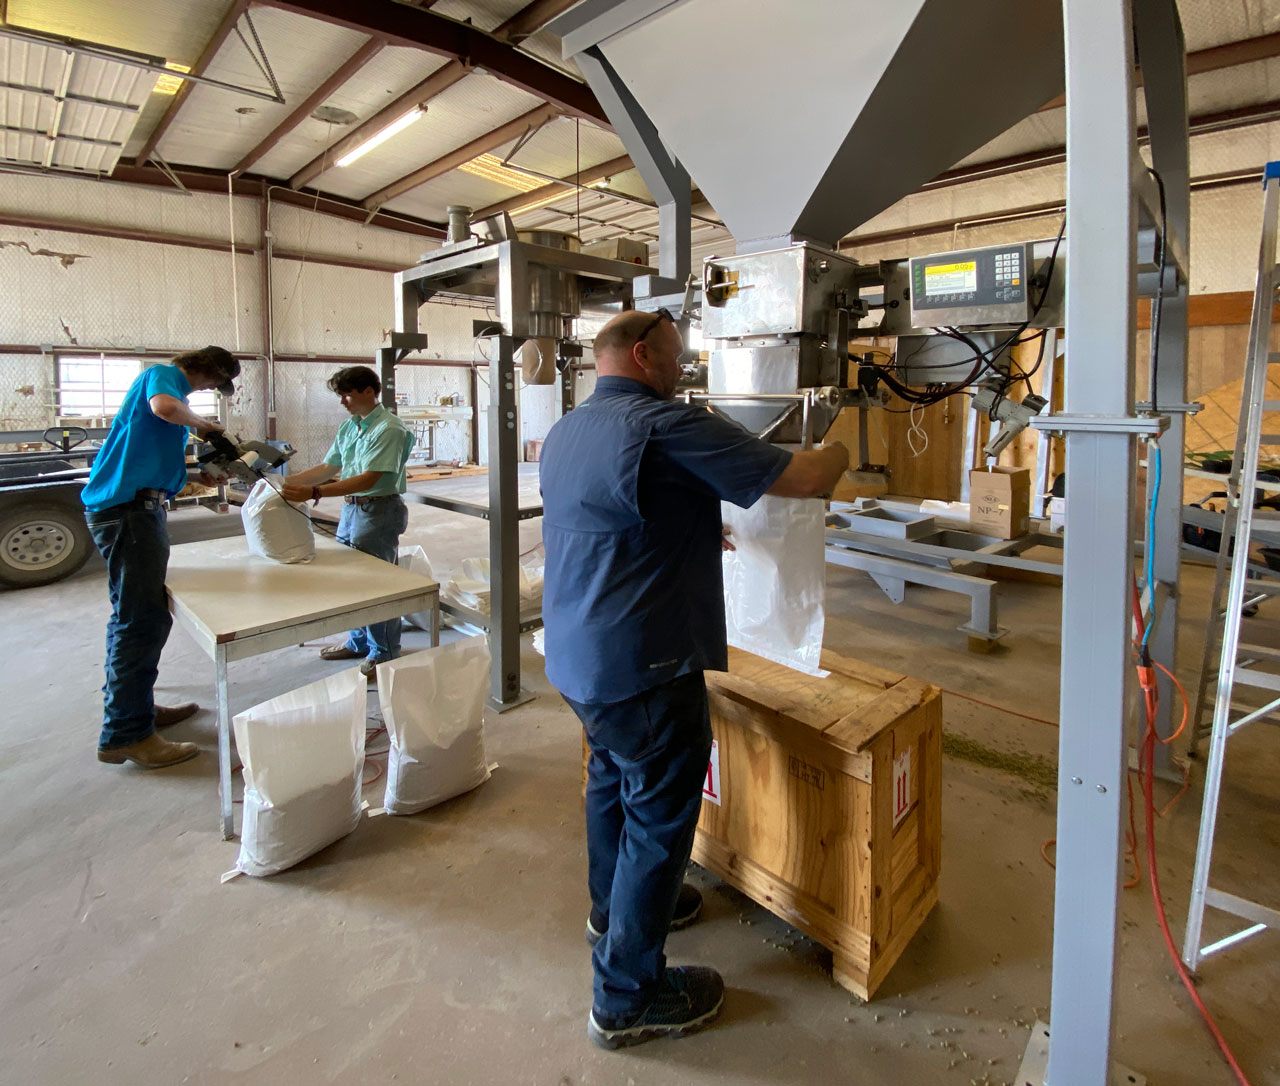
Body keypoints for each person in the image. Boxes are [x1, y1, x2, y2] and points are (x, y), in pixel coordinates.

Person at [540, 309, 849, 1050]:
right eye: (678, 357)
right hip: (643, 664)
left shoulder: (568, 430)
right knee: (659, 814)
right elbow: (804, 478)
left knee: (612, 782)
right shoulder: (665, 423)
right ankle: (628, 996)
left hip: (577, 656)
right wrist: (841, 440)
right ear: (645, 354)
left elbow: (615, 509)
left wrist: (687, 519)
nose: (684, 370)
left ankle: (608, 913)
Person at [85, 345, 241, 770]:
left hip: (136, 508)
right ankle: (126, 733)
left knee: (140, 615)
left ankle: (136, 709)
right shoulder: (165, 378)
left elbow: (150, 456)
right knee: (140, 620)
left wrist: (197, 474)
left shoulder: (170, 404)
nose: (209, 388)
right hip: (129, 513)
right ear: (206, 368)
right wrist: (207, 426)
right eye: (213, 381)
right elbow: (165, 408)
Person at [280, 366, 413, 681]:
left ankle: (384, 654)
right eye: (340, 395)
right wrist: (279, 483)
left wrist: (315, 492)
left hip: (378, 511)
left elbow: (370, 478)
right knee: (352, 581)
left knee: (376, 584)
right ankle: (359, 642)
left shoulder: (389, 429)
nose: (343, 401)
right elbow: (329, 466)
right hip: (353, 510)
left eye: (348, 394)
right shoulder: (350, 427)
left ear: (370, 391)